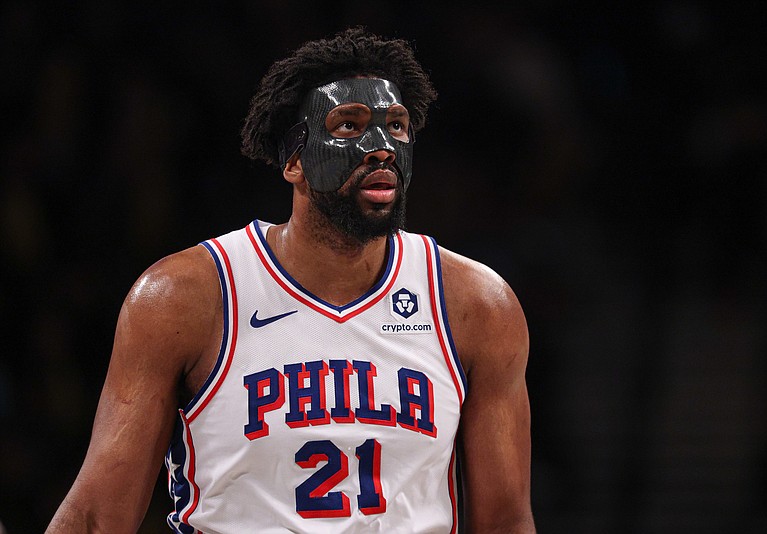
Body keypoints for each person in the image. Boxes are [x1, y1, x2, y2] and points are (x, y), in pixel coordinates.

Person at [46, 27, 535, 533]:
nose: (382, 147)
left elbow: (507, 522)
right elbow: (96, 517)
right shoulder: (187, 296)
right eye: (350, 125)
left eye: (397, 127)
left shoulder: (476, 304)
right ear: (294, 160)